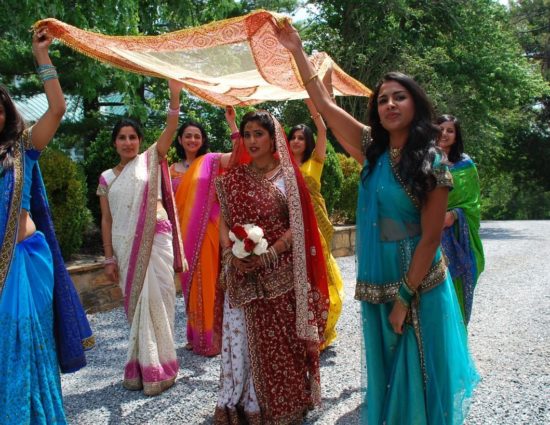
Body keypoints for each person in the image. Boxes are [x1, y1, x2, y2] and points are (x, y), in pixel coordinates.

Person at [277, 22, 479, 424]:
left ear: (416, 105)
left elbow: (429, 239)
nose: (389, 104)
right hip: (376, 280)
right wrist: (297, 51)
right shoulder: (373, 150)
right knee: (386, 376)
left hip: (417, 285)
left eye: (399, 97)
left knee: (419, 377)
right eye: (383, 99)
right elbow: (323, 104)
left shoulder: (432, 162)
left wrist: (404, 299)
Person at [0, 27, 94, 423]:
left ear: (6, 111)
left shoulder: (22, 149)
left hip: (24, 263)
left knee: (26, 343)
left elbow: (56, 110)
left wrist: (43, 58)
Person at [214, 110, 329, 423]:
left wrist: (273, 250)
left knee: (282, 342)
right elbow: (224, 222)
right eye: (247, 134)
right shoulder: (234, 179)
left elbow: (300, 223)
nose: (251, 141)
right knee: (238, 340)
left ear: (272, 137)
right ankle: (239, 405)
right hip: (240, 272)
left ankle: (281, 404)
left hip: (280, 272)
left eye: (258, 134)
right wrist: (232, 251)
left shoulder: (288, 178)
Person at [97, 80, 187, 396]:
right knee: (138, 309)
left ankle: (161, 367)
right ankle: (140, 367)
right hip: (124, 248)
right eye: (121, 138)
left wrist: (174, 96)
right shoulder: (106, 178)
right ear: (114, 143)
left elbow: (171, 129)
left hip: (156, 243)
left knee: (159, 302)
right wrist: (108, 256)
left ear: (140, 141)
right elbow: (106, 219)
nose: (127, 142)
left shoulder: (150, 159)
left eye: (132, 137)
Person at [169, 108, 235, 356]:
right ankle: (194, 333)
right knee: (188, 285)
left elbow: (240, 157)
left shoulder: (211, 161)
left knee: (209, 282)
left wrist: (232, 124)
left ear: (203, 139)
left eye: (197, 136)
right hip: (183, 233)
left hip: (209, 230)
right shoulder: (171, 169)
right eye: (188, 135)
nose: (193, 140)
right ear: (180, 139)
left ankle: (212, 336)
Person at [288, 98, 344, 350]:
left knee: (321, 276)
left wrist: (313, 106)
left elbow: (323, 130)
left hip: (315, 229)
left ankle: (323, 328)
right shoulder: (283, 167)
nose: (297, 141)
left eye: (301, 137)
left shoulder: (316, 162)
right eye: (293, 137)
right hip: (291, 228)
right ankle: (300, 330)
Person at [437, 114, 484, 325]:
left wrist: (455, 215)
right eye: (440, 128)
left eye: (450, 130)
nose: (444, 134)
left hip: (456, 233)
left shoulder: (465, 164)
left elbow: (474, 203)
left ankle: (457, 341)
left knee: (454, 289)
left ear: (456, 136)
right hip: (426, 232)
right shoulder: (423, 160)